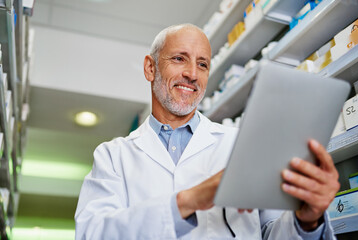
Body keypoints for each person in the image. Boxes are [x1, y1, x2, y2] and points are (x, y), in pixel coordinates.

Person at [75, 24, 340, 239]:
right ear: (150, 67)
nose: (192, 74)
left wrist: (307, 221)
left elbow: (272, 232)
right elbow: (92, 233)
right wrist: (190, 199)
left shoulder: (242, 144)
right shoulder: (114, 156)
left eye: (202, 64)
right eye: (179, 59)